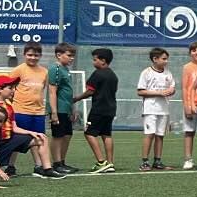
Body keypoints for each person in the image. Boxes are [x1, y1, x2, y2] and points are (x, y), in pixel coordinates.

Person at [73, 51, 118, 173]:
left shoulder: (97, 74)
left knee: (89, 133)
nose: (93, 62)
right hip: (111, 109)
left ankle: (101, 161)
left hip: (99, 109)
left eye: (95, 60)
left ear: (103, 61)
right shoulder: (113, 75)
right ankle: (110, 163)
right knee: (106, 134)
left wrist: (76, 98)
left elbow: (90, 92)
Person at [11, 42, 50, 168]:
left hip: (38, 113)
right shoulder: (18, 70)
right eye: (30, 55)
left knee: (39, 139)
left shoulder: (44, 72)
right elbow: (9, 89)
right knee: (16, 140)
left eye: (36, 55)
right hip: (20, 111)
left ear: (40, 56)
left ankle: (39, 166)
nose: (33, 58)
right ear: (24, 55)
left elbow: (44, 89)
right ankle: (10, 166)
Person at [137, 47, 176, 171]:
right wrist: (159, 93)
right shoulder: (146, 72)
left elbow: (172, 88)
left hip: (163, 109)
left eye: (167, 59)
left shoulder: (168, 73)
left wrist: (171, 91)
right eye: (164, 59)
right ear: (155, 59)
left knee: (160, 135)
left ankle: (157, 161)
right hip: (150, 109)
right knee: (150, 134)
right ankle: (144, 161)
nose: (166, 61)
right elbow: (140, 91)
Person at [48, 42, 79, 173]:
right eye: (69, 55)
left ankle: (62, 161)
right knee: (58, 136)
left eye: (73, 56)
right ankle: (56, 163)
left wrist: (72, 109)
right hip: (59, 109)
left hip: (66, 108)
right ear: (59, 55)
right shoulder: (55, 69)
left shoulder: (66, 69)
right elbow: (52, 91)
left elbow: (68, 91)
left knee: (67, 135)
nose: (72, 58)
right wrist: (54, 112)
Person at [179, 41, 197, 169]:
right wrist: (187, 105)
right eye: (194, 50)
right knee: (189, 132)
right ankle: (188, 159)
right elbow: (185, 88)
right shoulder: (187, 67)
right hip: (191, 104)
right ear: (190, 53)